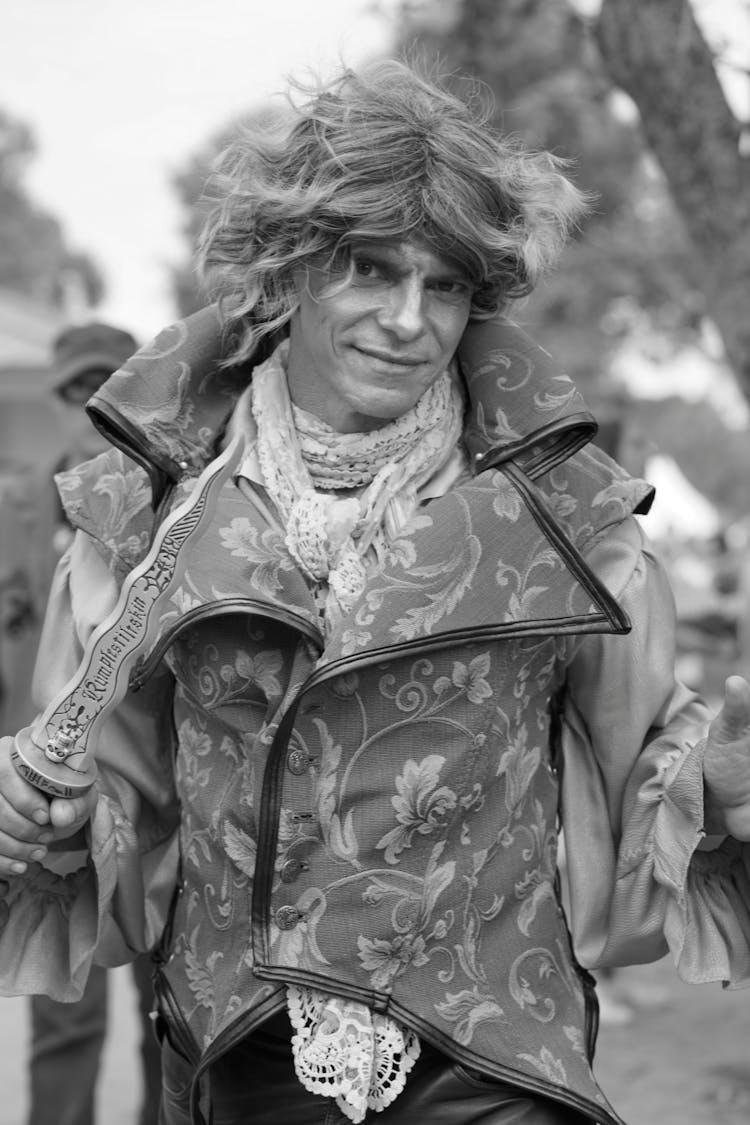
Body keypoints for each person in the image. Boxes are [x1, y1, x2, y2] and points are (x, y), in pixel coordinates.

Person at [0, 60, 749, 1125]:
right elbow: (125, 801)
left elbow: (645, 763)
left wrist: (715, 780)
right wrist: (44, 812)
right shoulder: (145, 511)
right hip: (240, 1063)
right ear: (292, 272)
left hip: (496, 1069)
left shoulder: (567, 515)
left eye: (442, 284)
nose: (408, 319)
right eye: (369, 270)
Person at [18, 324, 163, 1125]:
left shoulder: (178, 510)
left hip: (150, 802)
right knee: (62, 1014)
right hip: (47, 809)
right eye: (77, 391)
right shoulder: (15, 507)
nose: (92, 409)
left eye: (108, 388)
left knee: (165, 1013)